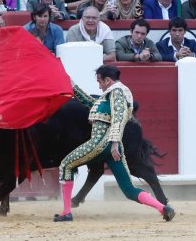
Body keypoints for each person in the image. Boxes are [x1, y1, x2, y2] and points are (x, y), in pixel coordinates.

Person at [54, 64, 175, 222]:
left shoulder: (116, 93)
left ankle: (66, 212)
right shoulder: (109, 96)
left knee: (65, 165)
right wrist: (72, 85)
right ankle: (162, 208)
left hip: (101, 143)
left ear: (107, 80)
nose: (99, 85)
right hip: (111, 148)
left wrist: (114, 143)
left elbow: (118, 118)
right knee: (129, 189)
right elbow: (90, 103)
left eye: (99, 81)